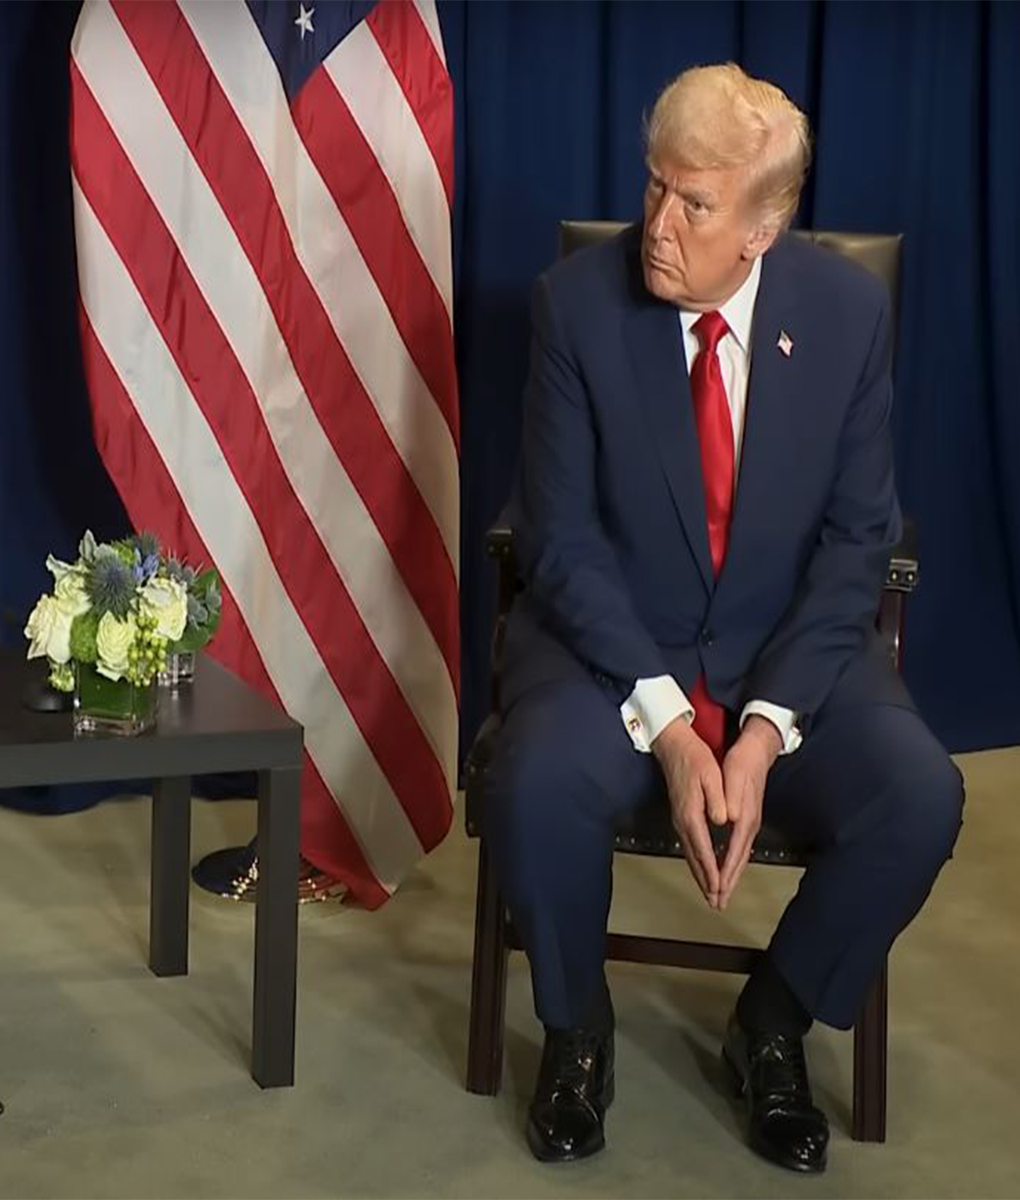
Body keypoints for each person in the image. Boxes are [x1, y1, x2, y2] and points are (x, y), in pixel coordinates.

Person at [485, 63, 963, 1173]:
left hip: (784, 655)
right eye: (653, 187)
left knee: (918, 794)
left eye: (692, 204)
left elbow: (858, 542)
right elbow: (556, 537)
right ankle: (576, 1034)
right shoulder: (577, 308)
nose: (657, 224)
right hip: (614, 652)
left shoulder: (847, 316)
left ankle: (773, 1025)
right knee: (535, 778)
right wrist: (662, 718)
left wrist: (761, 729)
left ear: (762, 225)